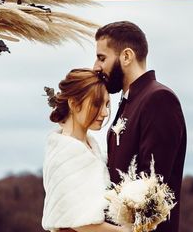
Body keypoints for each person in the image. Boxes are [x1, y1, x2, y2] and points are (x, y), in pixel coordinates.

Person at [94, 21, 187, 232]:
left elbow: (153, 184)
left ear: (126, 56)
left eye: (102, 58)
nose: (96, 67)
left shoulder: (159, 99)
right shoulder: (129, 101)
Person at [41, 68, 129, 232]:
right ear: (74, 104)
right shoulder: (65, 153)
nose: (104, 112)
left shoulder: (89, 147)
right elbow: (81, 222)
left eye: (107, 105)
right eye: (96, 103)